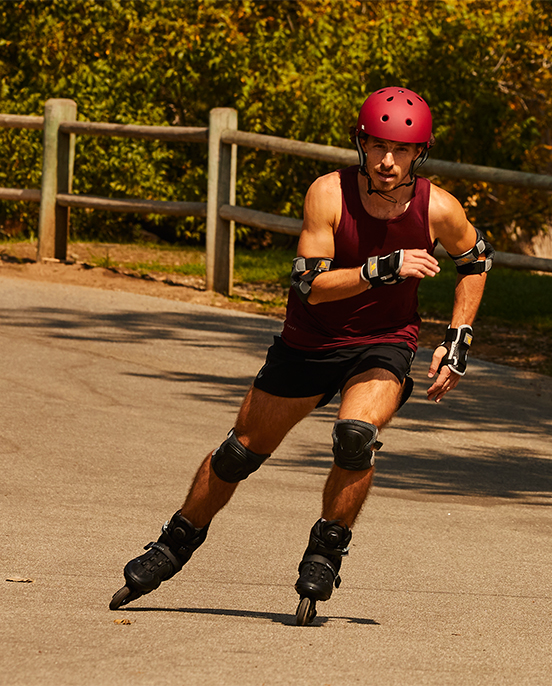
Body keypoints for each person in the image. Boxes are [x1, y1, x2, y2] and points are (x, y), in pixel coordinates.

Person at [109, 86, 494, 625]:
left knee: (355, 437)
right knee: (240, 452)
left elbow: (476, 261)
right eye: (379, 146)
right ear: (361, 143)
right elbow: (309, 285)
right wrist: (380, 269)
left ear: (419, 154)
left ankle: (326, 550)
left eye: (401, 150)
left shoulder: (439, 209)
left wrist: (458, 340)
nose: (388, 161)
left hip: (382, 343)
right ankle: (174, 543)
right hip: (309, 341)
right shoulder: (328, 195)